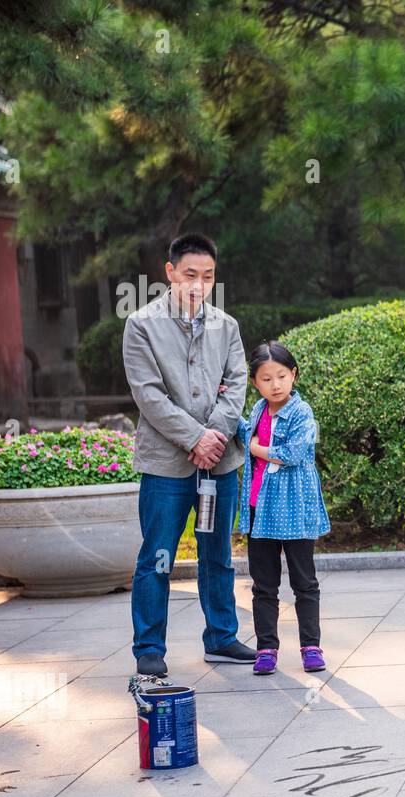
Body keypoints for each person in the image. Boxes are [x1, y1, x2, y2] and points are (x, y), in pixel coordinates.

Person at [123, 232, 255, 677]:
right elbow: (149, 396)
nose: (198, 285)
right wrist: (194, 438)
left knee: (216, 551)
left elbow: (237, 384)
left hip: (220, 463)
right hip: (165, 465)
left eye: (208, 276)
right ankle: (149, 647)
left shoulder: (227, 326)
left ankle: (221, 636)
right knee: (157, 554)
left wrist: (212, 437)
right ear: (170, 273)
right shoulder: (141, 324)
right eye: (190, 275)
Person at [236, 341, 331, 676]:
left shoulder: (301, 412)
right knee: (263, 586)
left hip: (293, 510)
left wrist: (255, 448)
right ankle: (266, 649)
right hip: (259, 509)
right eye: (265, 379)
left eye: (281, 376)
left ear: (293, 375)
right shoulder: (257, 412)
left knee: (304, 582)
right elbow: (242, 432)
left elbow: (292, 453)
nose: (275, 385)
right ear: (255, 383)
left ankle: (311, 647)